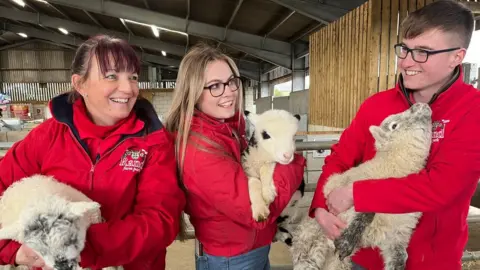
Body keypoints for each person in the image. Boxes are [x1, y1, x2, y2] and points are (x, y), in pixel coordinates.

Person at [309, 1, 480, 270]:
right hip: (365, 255)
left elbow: (441, 186)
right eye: (405, 49)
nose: (406, 62)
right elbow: (341, 157)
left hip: (430, 260)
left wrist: (356, 193)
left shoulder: (472, 110)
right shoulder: (377, 105)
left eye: (423, 52)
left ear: (456, 57)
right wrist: (320, 205)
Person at [0, 35, 186, 270]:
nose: (128, 88)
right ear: (80, 84)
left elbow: (160, 220)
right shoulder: (48, 136)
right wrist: (13, 250)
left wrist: (75, 247)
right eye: (111, 76)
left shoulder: (153, 142)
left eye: (133, 77)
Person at [165, 43, 306, 270]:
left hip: (248, 250)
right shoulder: (199, 150)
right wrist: (292, 162)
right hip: (233, 259)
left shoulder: (227, 129)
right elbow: (256, 213)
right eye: (215, 86)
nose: (229, 91)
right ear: (193, 92)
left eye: (231, 81)